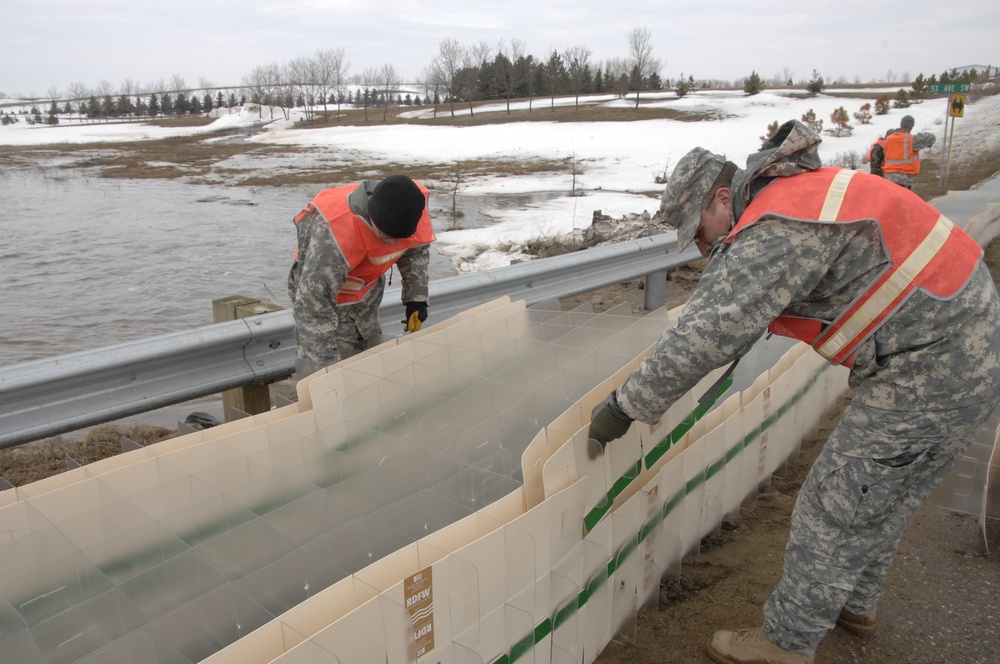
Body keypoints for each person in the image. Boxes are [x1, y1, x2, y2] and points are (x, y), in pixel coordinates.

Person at [589, 120, 1000, 663]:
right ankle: (854, 603)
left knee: (833, 502)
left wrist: (625, 407)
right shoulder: (799, 195)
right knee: (882, 494)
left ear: (720, 195)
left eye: (700, 229)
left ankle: (787, 643)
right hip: (967, 346)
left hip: (933, 364)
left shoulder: (777, 222)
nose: (702, 244)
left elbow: (709, 333)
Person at [287, 174, 435, 376]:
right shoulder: (332, 237)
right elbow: (313, 310)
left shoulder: (412, 203)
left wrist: (415, 298)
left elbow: (416, 248)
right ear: (373, 216)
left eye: (400, 238)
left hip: (366, 295)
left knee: (369, 365)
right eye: (386, 236)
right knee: (336, 370)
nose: (392, 245)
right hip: (326, 303)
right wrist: (326, 375)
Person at [882, 114, 936, 189]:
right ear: (911, 127)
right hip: (904, 179)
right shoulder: (912, 140)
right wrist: (921, 135)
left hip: (888, 177)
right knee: (902, 200)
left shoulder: (888, 138)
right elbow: (931, 138)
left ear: (901, 124)